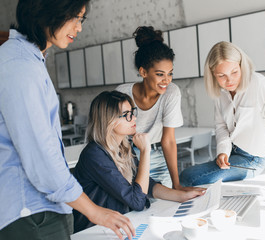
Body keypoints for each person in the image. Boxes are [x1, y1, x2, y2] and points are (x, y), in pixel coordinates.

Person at [0, 1, 135, 239]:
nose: (79, 27)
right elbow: (42, 157)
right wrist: (94, 211)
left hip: (40, 211)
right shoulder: (20, 65)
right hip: (33, 215)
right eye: (75, 17)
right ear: (47, 10)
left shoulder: (29, 60)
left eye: (81, 19)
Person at [73, 91, 206, 232]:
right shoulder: (94, 155)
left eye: (133, 112)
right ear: (109, 121)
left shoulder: (123, 146)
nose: (134, 118)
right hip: (95, 231)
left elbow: (146, 184)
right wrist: (145, 152)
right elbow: (137, 200)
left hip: (122, 223)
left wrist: (181, 196)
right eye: (127, 115)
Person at [180, 41, 265, 186]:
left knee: (188, 177)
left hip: (253, 160)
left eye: (234, 72)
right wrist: (222, 152)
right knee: (186, 176)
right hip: (232, 153)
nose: (229, 80)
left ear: (241, 65)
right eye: (221, 75)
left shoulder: (260, 84)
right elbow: (221, 127)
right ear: (213, 74)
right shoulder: (220, 94)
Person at [116, 26, 191, 190]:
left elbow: (169, 140)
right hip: (128, 160)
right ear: (143, 72)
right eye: (160, 74)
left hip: (157, 158)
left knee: (164, 208)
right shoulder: (122, 93)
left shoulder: (171, 93)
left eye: (170, 73)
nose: (167, 80)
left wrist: (176, 184)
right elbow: (115, 134)